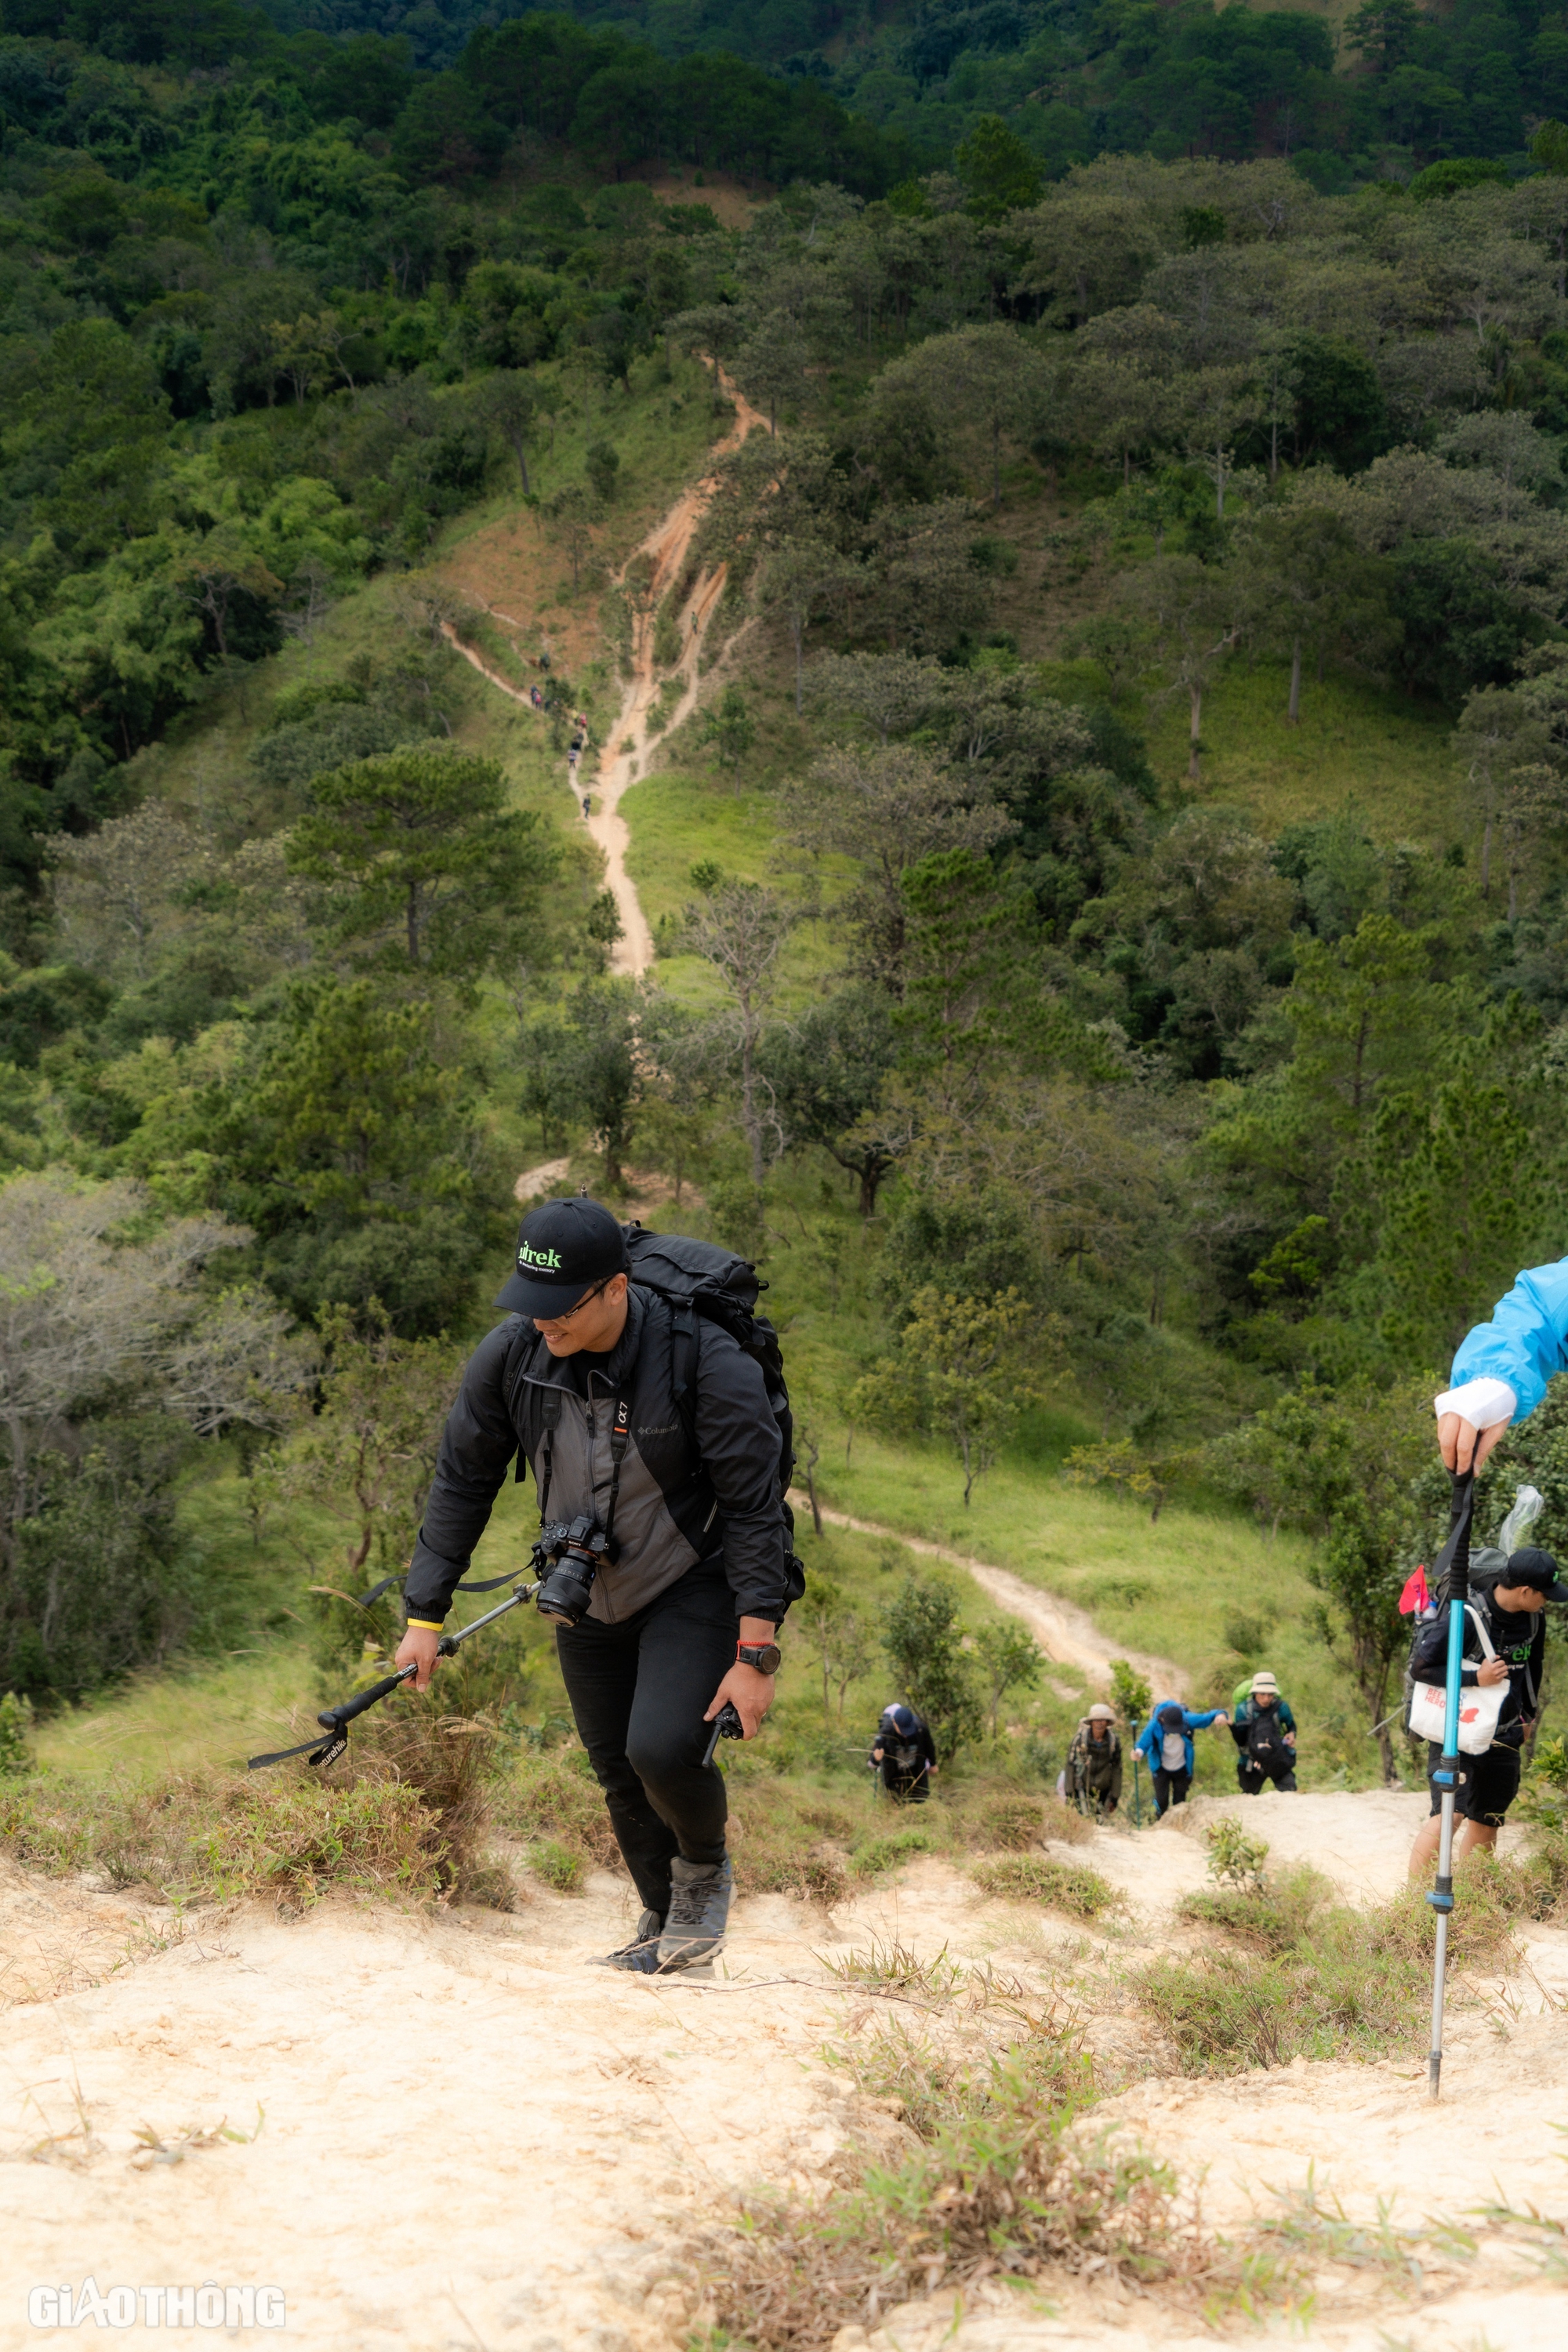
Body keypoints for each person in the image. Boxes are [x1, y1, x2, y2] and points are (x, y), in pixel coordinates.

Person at [394, 1196, 792, 1975]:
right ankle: (659, 1922)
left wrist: (755, 1652)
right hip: (587, 1583)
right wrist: (424, 1615)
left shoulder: (703, 1360)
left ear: (615, 1289)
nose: (541, 1323)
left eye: (558, 1308)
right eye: (529, 1304)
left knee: (662, 1749)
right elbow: (462, 1480)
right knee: (613, 1763)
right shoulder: (513, 1355)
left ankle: (703, 1875)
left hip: (693, 1579)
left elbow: (753, 1507)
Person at [1406, 1545, 1565, 1879]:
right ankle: (1412, 1907)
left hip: (1505, 1733)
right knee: (1450, 1813)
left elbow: (1533, 1669)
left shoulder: (1535, 1619)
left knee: (1488, 1818)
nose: (1548, 1601)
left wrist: (1528, 1717)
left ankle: (1472, 1897)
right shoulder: (1467, 1615)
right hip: (1458, 1731)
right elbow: (1422, 1668)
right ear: (1525, 1591)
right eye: (1545, 1594)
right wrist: (1474, 1678)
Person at [1133, 1699, 1228, 1817]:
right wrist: (1138, 1753)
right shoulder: (1154, 1724)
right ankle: (1160, 1822)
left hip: (1182, 1767)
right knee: (1162, 1801)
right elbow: (1143, 1743)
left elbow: (1208, 1716)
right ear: (1162, 1721)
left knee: (1180, 1802)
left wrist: (1221, 1715)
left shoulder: (1187, 1719)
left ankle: (1177, 1827)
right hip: (1160, 1767)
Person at [1229, 1671, 1298, 1795]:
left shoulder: (1281, 1708)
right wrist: (1232, 1726)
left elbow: (1291, 1725)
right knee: (1249, 1795)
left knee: (1290, 1791)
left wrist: (1292, 1734)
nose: (1266, 1699)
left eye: (1270, 1695)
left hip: (1277, 1756)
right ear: (1254, 1692)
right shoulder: (1243, 1710)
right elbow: (1241, 1740)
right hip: (1251, 1760)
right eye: (1262, 1694)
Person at [869, 1702, 936, 1802]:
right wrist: (876, 1758)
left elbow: (929, 1747)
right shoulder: (886, 1733)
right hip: (894, 1776)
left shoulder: (921, 1729)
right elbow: (873, 1761)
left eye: (909, 1730)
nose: (906, 1735)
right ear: (894, 1722)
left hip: (916, 1773)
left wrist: (933, 1764)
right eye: (903, 1730)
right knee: (896, 1804)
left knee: (919, 1803)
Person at [1066, 1703, 1123, 1820]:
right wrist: (1069, 1793)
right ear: (1091, 1722)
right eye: (1096, 1720)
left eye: (1103, 1720)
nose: (1099, 1723)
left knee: (1100, 1822)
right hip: (1081, 1787)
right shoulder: (1080, 1740)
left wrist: (1115, 1797)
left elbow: (1117, 1768)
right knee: (1083, 1820)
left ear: (1107, 1723)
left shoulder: (1113, 1741)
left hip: (1103, 1789)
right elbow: (1070, 1765)